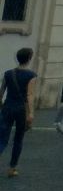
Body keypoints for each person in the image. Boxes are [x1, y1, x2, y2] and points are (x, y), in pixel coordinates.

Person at [0, 47, 38, 177]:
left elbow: (1, 92)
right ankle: (12, 168)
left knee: (2, 137)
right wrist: (31, 113)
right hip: (21, 110)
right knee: (18, 139)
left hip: (7, 107)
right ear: (29, 59)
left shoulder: (8, 73)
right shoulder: (31, 75)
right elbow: (30, 95)